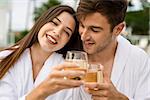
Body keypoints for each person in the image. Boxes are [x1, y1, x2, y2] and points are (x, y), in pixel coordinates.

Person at [0, 5, 85, 100]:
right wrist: (44, 90)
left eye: (66, 32)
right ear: (42, 22)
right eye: (54, 23)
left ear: (68, 41)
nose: (57, 32)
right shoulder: (5, 58)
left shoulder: (69, 70)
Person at [76, 0, 150, 100]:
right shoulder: (66, 54)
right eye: (82, 25)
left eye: (95, 30)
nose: (83, 36)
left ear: (118, 29)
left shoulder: (139, 59)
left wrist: (119, 98)